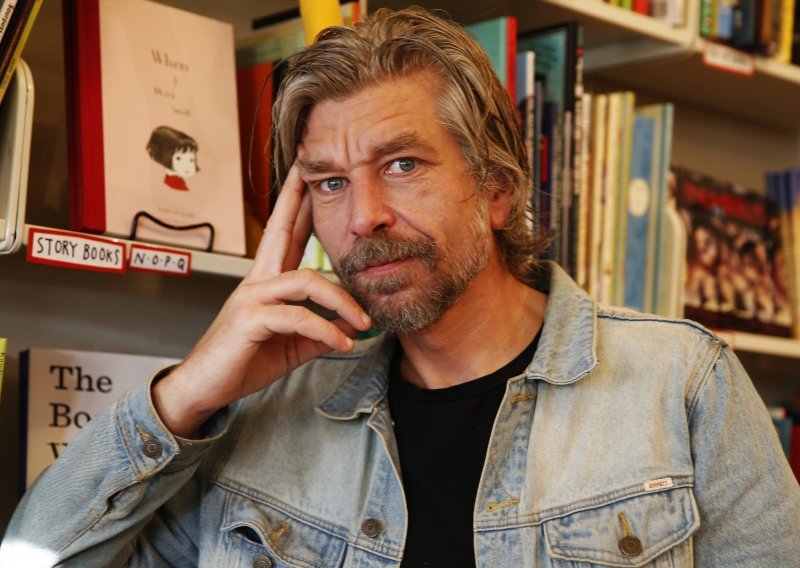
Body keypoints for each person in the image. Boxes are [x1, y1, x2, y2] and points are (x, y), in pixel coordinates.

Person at [3, 7, 799, 567]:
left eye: (403, 164)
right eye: (329, 183)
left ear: (497, 188)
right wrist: (188, 391)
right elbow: (33, 559)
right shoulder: (260, 412)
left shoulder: (682, 388)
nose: (364, 217)